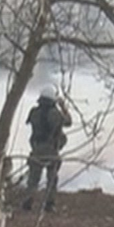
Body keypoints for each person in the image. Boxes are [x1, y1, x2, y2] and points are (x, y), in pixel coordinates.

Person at [21, 84, 73, 213]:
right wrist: (63, 106)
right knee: (52, 179)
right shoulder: (55, 114)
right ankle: (49, 204)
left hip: (36, 149)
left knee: (33, 179)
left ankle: (28, 202)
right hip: (51, 150)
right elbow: (68, 122)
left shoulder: (34, 112)